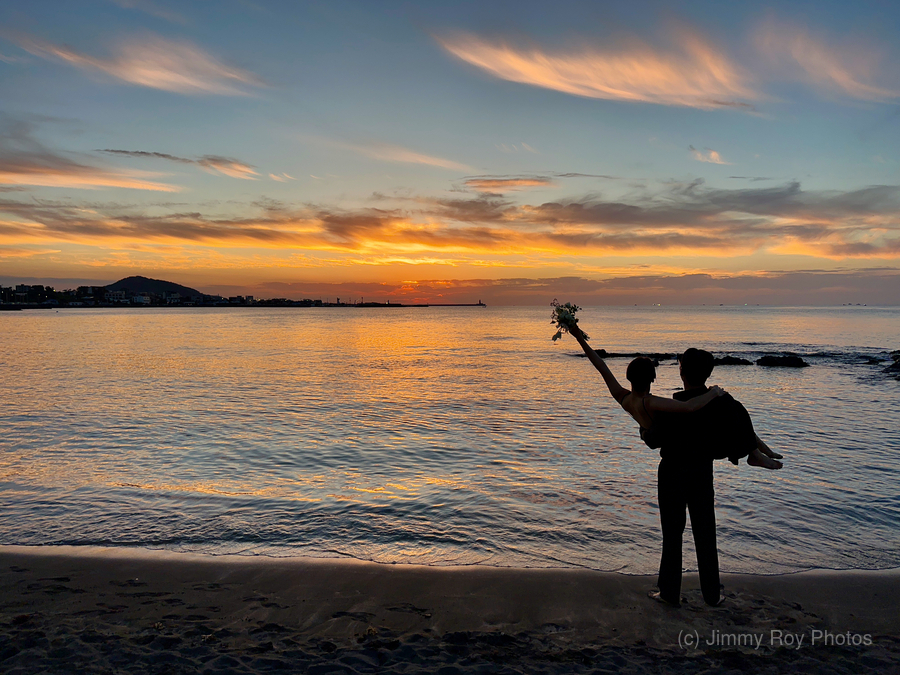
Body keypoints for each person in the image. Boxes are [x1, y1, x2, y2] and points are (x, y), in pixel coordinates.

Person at [565, 325, 782, 607]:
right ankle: (712, 595)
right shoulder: (680, 404)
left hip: (671, 473)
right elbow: (708, 415)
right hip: (701, 471)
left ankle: (669, 593)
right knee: (705, 532)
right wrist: (714, 393)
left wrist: (579, 338)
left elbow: (602, 368)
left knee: (672, 534)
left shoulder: (638, 402)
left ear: (681, 373)